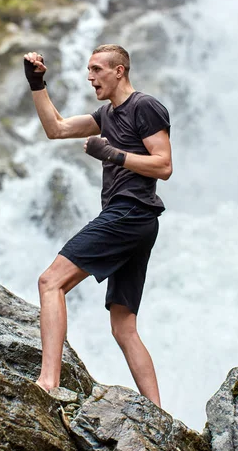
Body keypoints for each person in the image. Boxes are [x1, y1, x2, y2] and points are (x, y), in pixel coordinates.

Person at [24, 44, 172, 407]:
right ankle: (157, 414)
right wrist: (36, 84)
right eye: (88, 71)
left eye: (96, 70)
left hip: (129, 212)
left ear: (119, 71)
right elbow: (56, 129)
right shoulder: (106, 115)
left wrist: (113, 154)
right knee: (123, 326)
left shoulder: (144, 106)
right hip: (138, 221)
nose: (90, 78)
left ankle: (48, 382)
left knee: (50, 281)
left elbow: (164, 165)